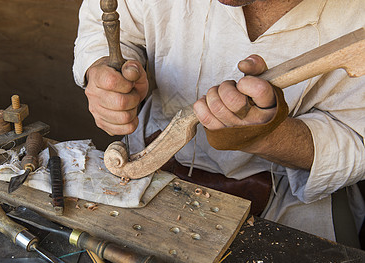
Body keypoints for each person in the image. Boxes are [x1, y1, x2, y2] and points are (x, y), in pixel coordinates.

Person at [73, 0, 365, 245]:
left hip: (284, 205)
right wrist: (104, 71)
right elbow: (113, 26)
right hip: (147, 167)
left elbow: (357, 138)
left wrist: (269, 138)